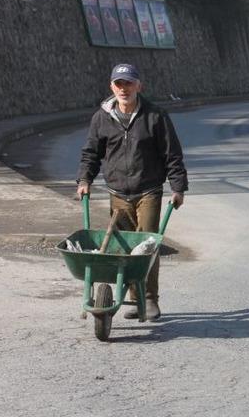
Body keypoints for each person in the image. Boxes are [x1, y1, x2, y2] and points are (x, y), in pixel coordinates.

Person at [77, 63, 188, 321]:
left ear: (139, 86)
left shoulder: (155, 116)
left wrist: (178, 187)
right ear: (111, 87)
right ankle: (131, 296)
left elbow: (172, 155)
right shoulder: (102, 117)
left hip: (148, 189)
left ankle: (148, 299)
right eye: (119, 84)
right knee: (124, 248)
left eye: (128, 83)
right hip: (117, 191)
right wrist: (84, 179)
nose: (123, 89)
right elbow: (91, 153)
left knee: (146, 245)